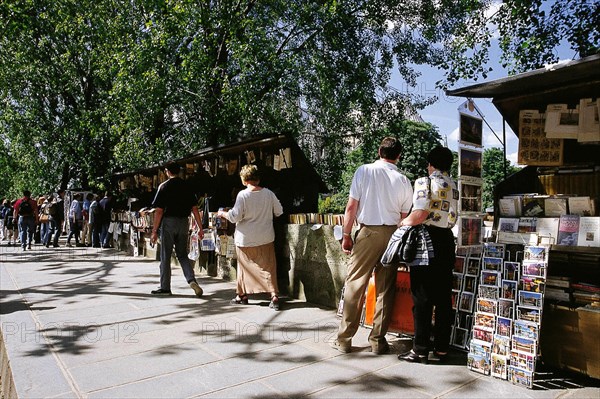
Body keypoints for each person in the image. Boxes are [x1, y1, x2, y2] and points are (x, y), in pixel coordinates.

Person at [332, 137, 413, 354]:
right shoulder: (404, 180)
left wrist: (347, 234)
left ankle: (344, 339)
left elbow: (351, 208)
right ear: (399, 156)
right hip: (393, 234)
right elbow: (404, 217)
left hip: (368, 232)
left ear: (379, 151)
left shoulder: (364, 171)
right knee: (385, 289)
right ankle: (377, 340)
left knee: (355, 284)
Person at [397, 146, 458, 363]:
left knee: (421, 296)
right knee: (443, 298)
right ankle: (441, 349)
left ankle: (420, 349)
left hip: (426, 242)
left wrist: (403, 223)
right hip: (446, 241)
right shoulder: (454, 185)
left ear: (430, 164)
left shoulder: (425, 181)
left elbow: (420, 213)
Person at [217, 164, 284, 310]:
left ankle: (242, 295)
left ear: (244, 179)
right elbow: (279, 211)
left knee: (243, 268)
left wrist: (223, 214)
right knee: (269, 267)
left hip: (245, 238)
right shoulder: (269, 193)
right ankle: (274, 296)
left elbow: (235, 217)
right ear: (258, 178)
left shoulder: (243, 195)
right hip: (266, 237)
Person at [150, 162, 204, 297]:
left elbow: (159, 211)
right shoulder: (188, 186)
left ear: (167, 172)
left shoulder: (164, 186)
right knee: (182, 255)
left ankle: (165, 287)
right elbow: (195, 209)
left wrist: (154, 231)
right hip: (184, 223)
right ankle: (192, 280)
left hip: (168, 222)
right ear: (179, 171)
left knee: (165, 256)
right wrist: (200, 227)